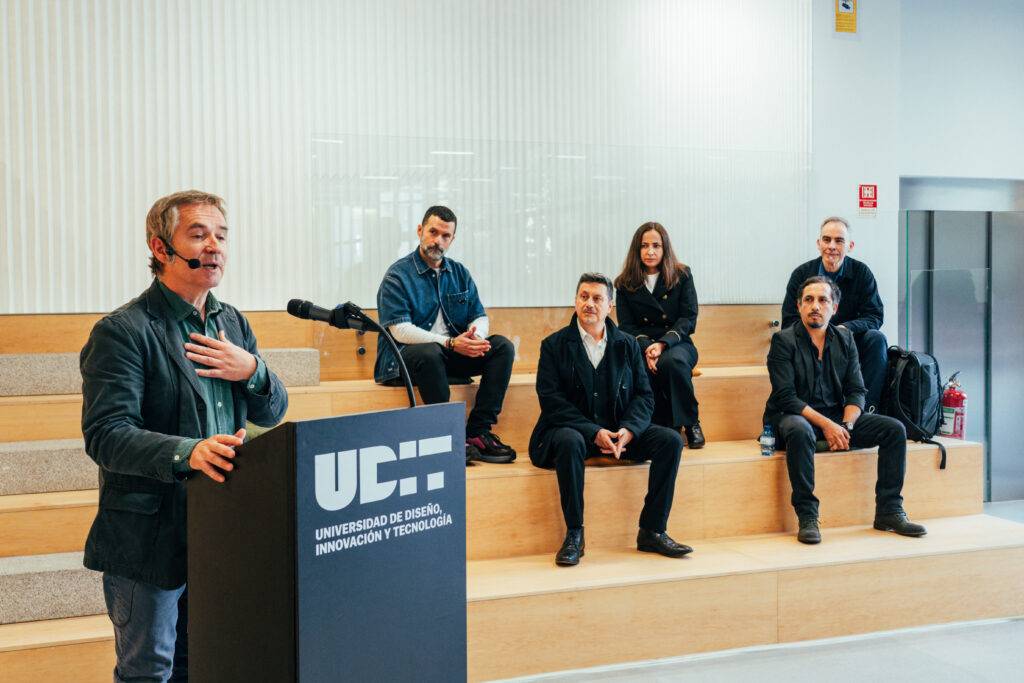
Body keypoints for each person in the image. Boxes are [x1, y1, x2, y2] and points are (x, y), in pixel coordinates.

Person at [80, 190, 289, 681]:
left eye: (221, 236)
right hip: (150, 538)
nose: (214, 246)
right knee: (149, 670)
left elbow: (274, 411)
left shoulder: (231, 322)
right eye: (198, 235)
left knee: (207, 664)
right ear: (160, 247)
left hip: (220, 528)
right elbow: (106, 435)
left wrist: (253, 371)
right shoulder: (123, 331)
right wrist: (189, 452)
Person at [529, 273, 693, 566]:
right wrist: (594, 432)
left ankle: (652, 530)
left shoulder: (628, 344)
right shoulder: (553, 345)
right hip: (573, 433)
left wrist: (629, 430)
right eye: (584, 297)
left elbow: (644, 396)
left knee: (670, 441)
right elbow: (552, 401)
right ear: (575, 301)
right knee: (568, 441)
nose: (589, 304)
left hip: (618, 434)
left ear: (610, 306)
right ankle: (574, 534)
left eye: (597, 298)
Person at [765, 275, 926, 544]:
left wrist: (846, 427)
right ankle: (807, 516)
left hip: (837, 418)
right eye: (809, 300)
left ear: (834, 307)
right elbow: (786, 397)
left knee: (894, 429)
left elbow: (856, 390)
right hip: (793, 417)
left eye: (823, 300)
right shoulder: (783, 341)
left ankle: (889, 511)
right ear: (799, 306)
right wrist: (829, 426)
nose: (815, 306)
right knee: (801, 430)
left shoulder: (845, 338)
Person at [375, 205, 516, 464]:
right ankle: (447, 435)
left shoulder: (459, 273)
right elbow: (400, 330)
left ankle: (477, 432)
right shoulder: (398, 275)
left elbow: (479, 315)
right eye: (433, 232)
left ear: (452, 239)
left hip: (449, 353)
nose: (438, 241)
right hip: (406, 359)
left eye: (445, 236)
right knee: (430, 352)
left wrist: (475, 337)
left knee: (502, 347)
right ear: (420, 230)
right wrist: (450, 342)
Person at [782, 216, 888, 411]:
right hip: (811, 340)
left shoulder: (862, 273)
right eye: (827, 239)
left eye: (839, 241)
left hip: (850, 340)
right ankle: (811, 410)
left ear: (850, 246)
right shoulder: (801, 274)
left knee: (877, 339)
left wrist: (845, 329)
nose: (831, 246)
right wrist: (819, 333)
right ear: (818, 243)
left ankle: (866, 409)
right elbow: (789, 320)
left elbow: (874, 315)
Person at [614, 222, 704, 448]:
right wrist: (647, 347)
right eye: (644, 246)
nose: (650, 251)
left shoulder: (682, 275)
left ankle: (690, 422)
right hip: (641, 344)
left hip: (677, 342)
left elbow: (688, 318)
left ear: (665, 248)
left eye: (656, 245)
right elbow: (626, 326)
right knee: (641, 368)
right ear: (637, 249)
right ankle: (660, 427)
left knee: (672, 362)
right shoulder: (624, 283)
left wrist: (663, 344)